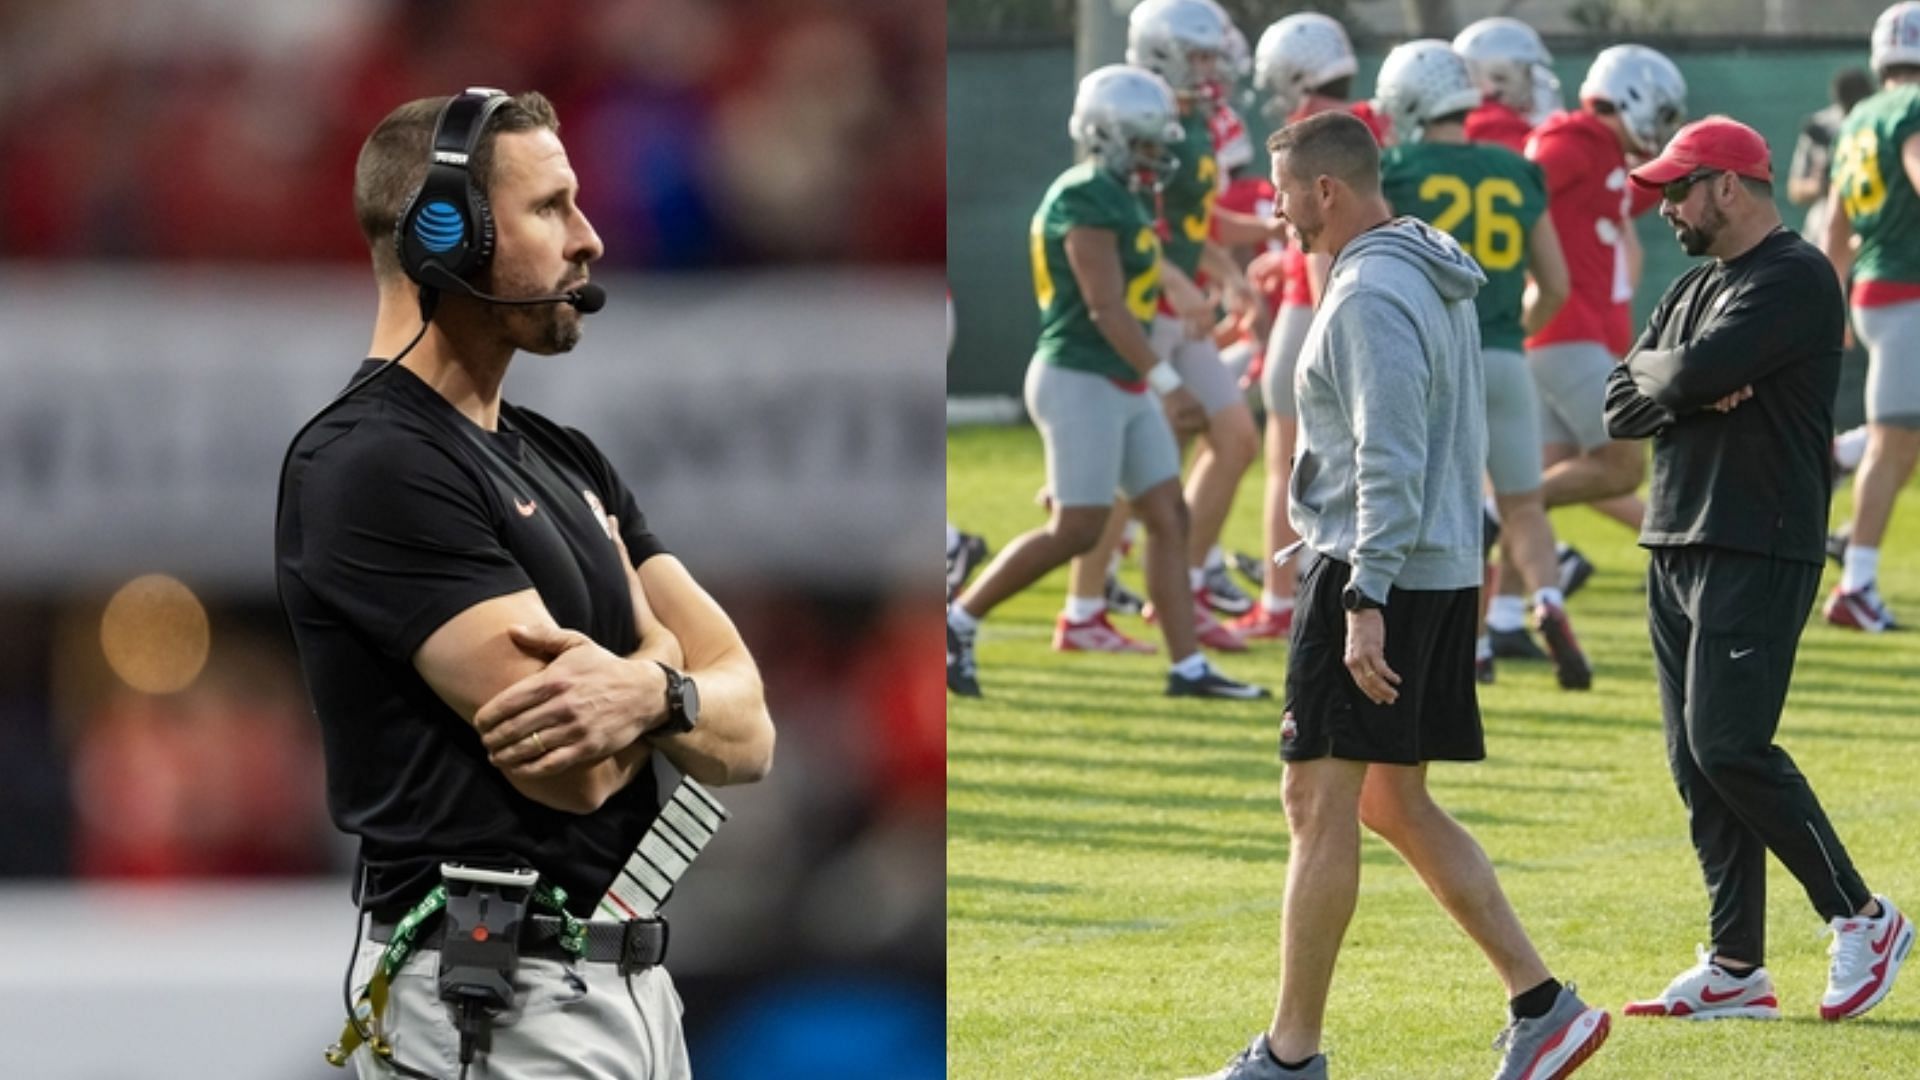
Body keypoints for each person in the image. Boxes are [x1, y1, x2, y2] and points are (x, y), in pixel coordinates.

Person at [276, 90, 776, 1079]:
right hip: (498, 1003)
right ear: (444, 235)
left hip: (625, 983)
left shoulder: (565, 457)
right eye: (550, 207)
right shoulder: (371, 462)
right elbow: (575, 772)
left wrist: (645, 683)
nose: (589, 240)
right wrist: (670, 660)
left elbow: (750, 731)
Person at [1186, 111, 1608, 1080]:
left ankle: (1289, 1058)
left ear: (1325, 191)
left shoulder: (1371, 290)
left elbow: (1390, 451)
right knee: (1389, 800)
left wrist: (1363, 594)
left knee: (1316, 799)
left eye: (1288, 193)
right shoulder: (1424, 262)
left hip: (1382, 570)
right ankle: (1544, 1006)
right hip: (1433, 564)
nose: (1281, 212)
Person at [1605, 115, 1914, 1022]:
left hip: (1757, 538)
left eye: (1678, 190)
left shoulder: (1795, 276)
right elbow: (1625, 401)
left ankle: (1863, 915)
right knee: (1694, 762)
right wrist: (1685, 381)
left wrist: (1682, 380)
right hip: (1675, 538)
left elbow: (1682, 377)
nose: (1666, 209)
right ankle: (1736, 965)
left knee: (1729, 745)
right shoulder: (1700, 284)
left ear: (1728, 187)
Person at [945, 65, 1266, 700]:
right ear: (1108, 135)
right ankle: (958, 621)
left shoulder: (1122, 196)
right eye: (1145, 142)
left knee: (1168, 515)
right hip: (1080, 376)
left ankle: (1188, 667)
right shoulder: (1084, 196)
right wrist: (1170, 381)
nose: (1157, 155)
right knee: (1079, 528)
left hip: (1119, 379)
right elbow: (1106, 308)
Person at [1374, 39, 1589, 691]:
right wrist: (1506, 333)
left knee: (1448, 511)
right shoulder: (1513, 168)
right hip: (1502, 352)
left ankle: (1467, 649)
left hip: (1433, 359)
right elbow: (1553, 282)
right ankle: (1546, 601)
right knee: (1523, 503)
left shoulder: (1398, 168)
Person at [1487, 44, 1685, 661]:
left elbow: (1639, 193)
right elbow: (1522, 190)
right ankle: (1495, 512)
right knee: (1624, 465)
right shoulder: (1569, 141)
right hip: (1563, 331)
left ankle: (1500, 616)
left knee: (1549, 471)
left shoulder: (1603, 152)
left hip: (1570, 334)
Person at [1229, 12, 1392, 643]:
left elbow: (1324, 232)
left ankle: (1279, 599)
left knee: (1289, 464)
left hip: (1316, 306)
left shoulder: (1312, 134)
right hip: (1346, 294)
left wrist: (1332, 304)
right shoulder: (1367, 125)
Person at [1819, 0, 1920, 631]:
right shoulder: (1911, 111)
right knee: (1896, 440)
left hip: (1874, 290)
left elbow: (1833, 227)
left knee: (1896, 435)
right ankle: (1856, 586)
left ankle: (1844, 455)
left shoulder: (1859, 117)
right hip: (1908, 289)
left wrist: (1831, 305)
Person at [1790, 67, 1876, 242]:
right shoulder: (1821, 127)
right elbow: (1796, 189)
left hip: (1871, 219)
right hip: (1823, 223)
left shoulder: (1881, 124)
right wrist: (1821, 186)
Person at [1454, 17, 1563, 154]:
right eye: (1526, 74)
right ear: (1496, 78)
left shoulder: (1458, 125)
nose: (1533, 84)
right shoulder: (1498, 128)